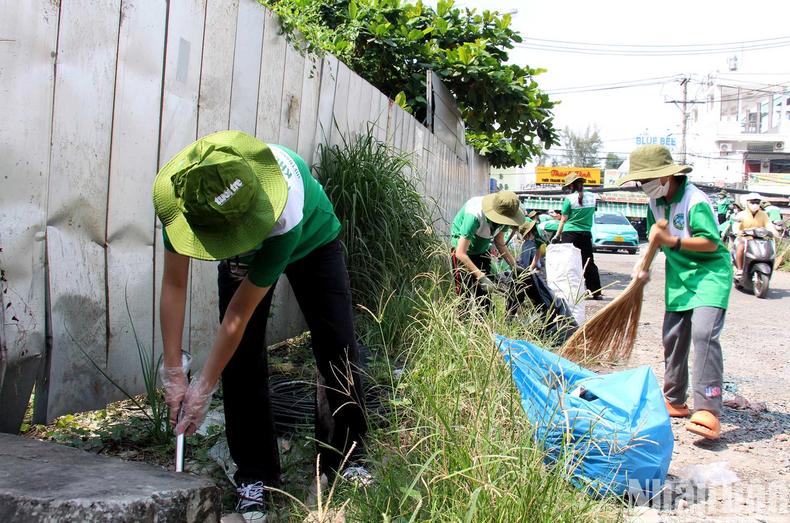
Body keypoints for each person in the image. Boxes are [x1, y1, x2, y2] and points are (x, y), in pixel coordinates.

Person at [153, 131, 368, 516]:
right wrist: (174, 369)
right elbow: (173, 282)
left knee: (336, 345)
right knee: (240, 360)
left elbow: (239, 315)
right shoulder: (181, 200)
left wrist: (202, 386)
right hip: (245, 238)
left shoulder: (284, 207)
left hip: (311, 241)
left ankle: (345, 458)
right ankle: (255, 475)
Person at [617, 144, 731, 440]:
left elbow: (711, 242)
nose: (643, 186)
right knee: (674, 335)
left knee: (704, 335)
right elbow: (656, 240)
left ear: (665, 176)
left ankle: (708, 408)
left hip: (710, 275)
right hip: (679, 277)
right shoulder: (654, 203)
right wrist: (643, 268)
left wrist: (673, 242)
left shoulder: (695, 201)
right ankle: (675, 399)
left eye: (646, 180)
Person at [450, 191, 525, 308]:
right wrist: (481, 276)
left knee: (485, 298)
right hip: (463, 251)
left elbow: (499, 241)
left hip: (483, 250)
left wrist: (513, 265)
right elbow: (460, 253)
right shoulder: (474, 215)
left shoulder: (507, 216)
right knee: (464, 295)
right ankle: (462, 321)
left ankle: (483, 322)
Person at [554, 173, 603, 300]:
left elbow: (564, 219)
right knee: (588, 262)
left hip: (570, 233)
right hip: (586, 233)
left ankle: (571, 291)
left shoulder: (569, 199)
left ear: (571, 184)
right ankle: (596, 291)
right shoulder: (593, 197)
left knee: (570, 262)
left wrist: (557, 235)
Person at [734, 193, 780, 278]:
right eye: (753, 202)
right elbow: (736, 226)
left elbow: (768, 224)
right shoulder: (742, 214)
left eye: (757, 202)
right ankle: (740, 269)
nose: (755, 204)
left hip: (759, 239)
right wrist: (738, 231)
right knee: (741, 246)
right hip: (745, 238)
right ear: (747, 203)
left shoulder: (764, 214)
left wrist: (774, 231)